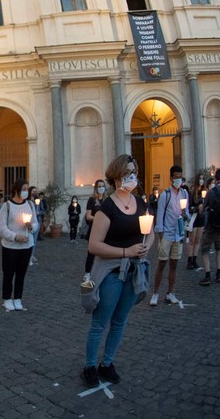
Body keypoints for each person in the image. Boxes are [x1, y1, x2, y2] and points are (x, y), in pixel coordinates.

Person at [80, 154, 152, 388]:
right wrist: (126, 252)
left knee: (120, 321)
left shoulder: (140, 202)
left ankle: (107, 363)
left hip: (134, 271)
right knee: (100, 323)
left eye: (134, 172)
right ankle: (90, 366)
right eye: (127, 173)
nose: (132, 176)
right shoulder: (106, 208)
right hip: (111, 273)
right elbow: (94, 246)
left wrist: (144, 249)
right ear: (116, 177)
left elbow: (150, 231)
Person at [0, 179, 39, 311]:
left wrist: (31, 226)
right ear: (16, 189)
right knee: (9, 273)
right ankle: (7, 299)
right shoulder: (7, 206)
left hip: (26, 246)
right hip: (10, 247)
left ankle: (18, 298)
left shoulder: (30, 205)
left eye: (27, 189)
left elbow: (36, 223)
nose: (26, 192)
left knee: (21, 274)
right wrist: (15, 237)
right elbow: (2, 228)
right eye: (24, 189)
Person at [151, 165, 190, 305]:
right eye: (176, 177)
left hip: (178, 235)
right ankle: (155, 293)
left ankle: (170, 292)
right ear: (171, 178)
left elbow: (188, 215)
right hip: (167, 235)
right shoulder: (165, 195)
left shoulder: (184, 194)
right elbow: (159, 217)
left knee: (174, 264)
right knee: (161, 264)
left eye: (180, 177)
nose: (178, 179)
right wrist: (161, 238)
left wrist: (186, 215)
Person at [199, 168, 220, 285]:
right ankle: (219, 273)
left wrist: (201, 209)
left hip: (210, 226)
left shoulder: (211, 192)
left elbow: (203, 210)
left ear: (215, 178)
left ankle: (207, 275)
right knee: (219, 248)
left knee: (204, 249)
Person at [82, 179, 107, 281]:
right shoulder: (92, 200)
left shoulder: (107, 201)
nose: (101, 188)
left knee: (104, 252)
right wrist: (98, 218)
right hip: (94, 229)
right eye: (99, 186)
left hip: (105, 230)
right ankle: (88, 273)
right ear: (96, 188)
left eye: (103, 186)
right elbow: (88, 216)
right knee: (91, 253)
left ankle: (101, 272)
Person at [187, 176, 212, 269]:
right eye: (200, 178)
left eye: (203, 178)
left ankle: (194, 259)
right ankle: (189, 260)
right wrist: (197, 208)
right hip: (194, 217)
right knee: (192, 240)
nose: (201, 180)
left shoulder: (205, 191)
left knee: (198, 240)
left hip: (201, 217)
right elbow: (189, 206)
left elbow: (207, 204)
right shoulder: (192, 191)